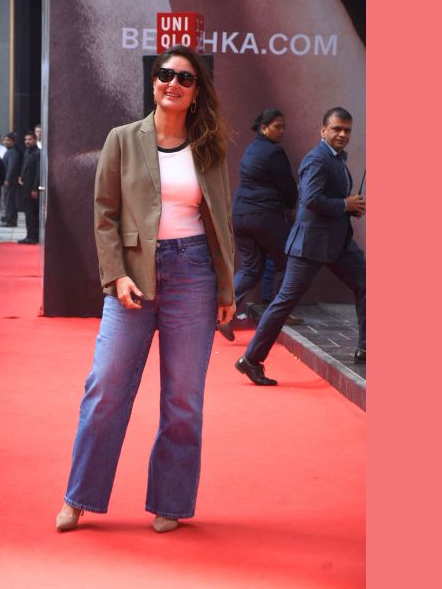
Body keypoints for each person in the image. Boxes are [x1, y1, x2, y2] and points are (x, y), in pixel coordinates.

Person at [56, 45, 234, 534]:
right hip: (134, 274)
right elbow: (104, 213)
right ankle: (79, 496)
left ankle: (170, 501)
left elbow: (221, 220)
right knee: (105, 387)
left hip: (194, 274)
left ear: (197, 93)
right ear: (153, 82)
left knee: (183, 399)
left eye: (185, 78)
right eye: (165, 74)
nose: (173, 83)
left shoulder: (209, 147)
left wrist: (226, 288)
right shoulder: (122, 139)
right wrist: (116, 274)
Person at [235, 107, 366, 386]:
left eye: (347, 130)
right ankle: (251, 360)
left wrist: (347, 209)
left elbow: (326, 200)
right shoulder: (317, 159)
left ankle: (365, 347)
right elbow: (311, 199)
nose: (342, 134)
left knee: (366, 282)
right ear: (323, 130)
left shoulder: (337, 159)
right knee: (284, 301)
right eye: (336, 129)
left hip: (337, 242)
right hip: (310, 245)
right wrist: (345, 205)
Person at [217, 108, 297, 341]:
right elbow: (288, 186)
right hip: (265, 216)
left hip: (241, 215)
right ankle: (278, 315)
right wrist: (291, 205)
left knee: (251, 268)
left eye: (283, 127)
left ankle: (222, 315)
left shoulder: (252, 149)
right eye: (277, 127)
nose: (282, 131)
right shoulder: (274, 152)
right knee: (288, 261)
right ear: (264, 128)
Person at [17, 131, 41, 244]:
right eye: (26, 139)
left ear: (35, 140)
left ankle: (33, 236)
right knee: (28, 213)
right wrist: (21, 176)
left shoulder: (38, 153)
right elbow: (25, 167)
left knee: (32, 213)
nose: (27, 141)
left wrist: (35, 189)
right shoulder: (27, 152)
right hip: (26, 187)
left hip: (32, 188)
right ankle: (29, 235)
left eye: (30, 139)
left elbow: (38, 173)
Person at [0, 134, 22, 226]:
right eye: (5, 140)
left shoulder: (13, 153)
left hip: (10, 181)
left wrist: (7, 179)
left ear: (13, 142)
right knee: (8, 200)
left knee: (9, 201)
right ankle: (10, 218)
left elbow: (11, 167)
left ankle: (10, 220)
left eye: (8, 140)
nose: (6, 142)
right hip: (8, 180)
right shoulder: (8, 151)